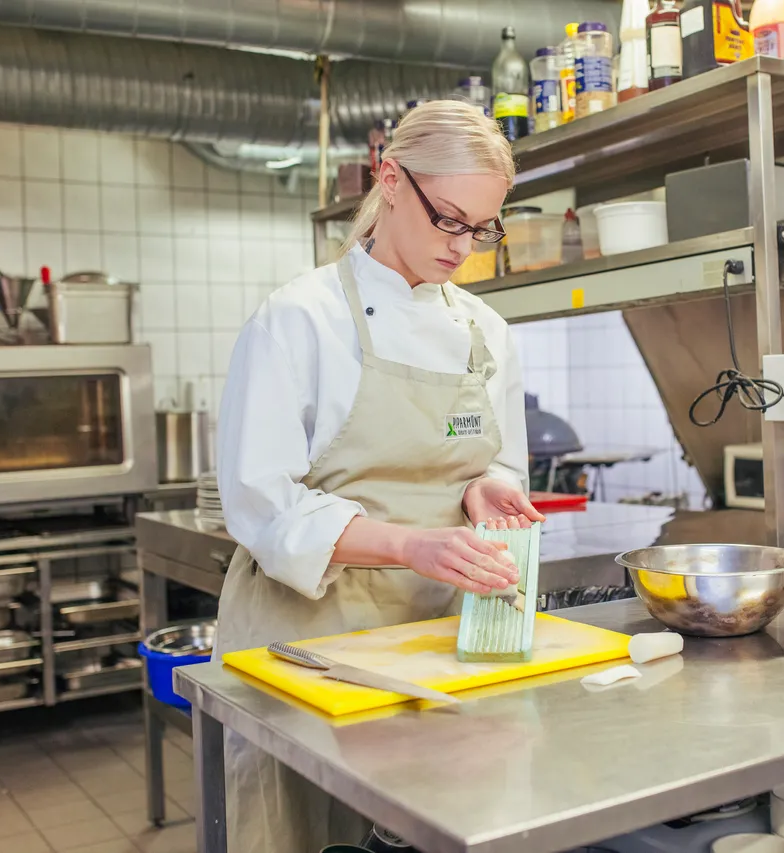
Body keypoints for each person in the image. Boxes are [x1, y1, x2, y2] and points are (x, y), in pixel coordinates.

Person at [213, 99, 545, 852]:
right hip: (309, 640)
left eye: (483, 227)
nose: (463, 245)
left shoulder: (484, 331)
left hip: (435, 637)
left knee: (431, 825)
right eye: (448, 219)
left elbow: (494, 458)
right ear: (390, 180)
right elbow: (262, 505)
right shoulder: (299, 318)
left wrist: (483, 485)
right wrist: (408, 544)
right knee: (306, 828)